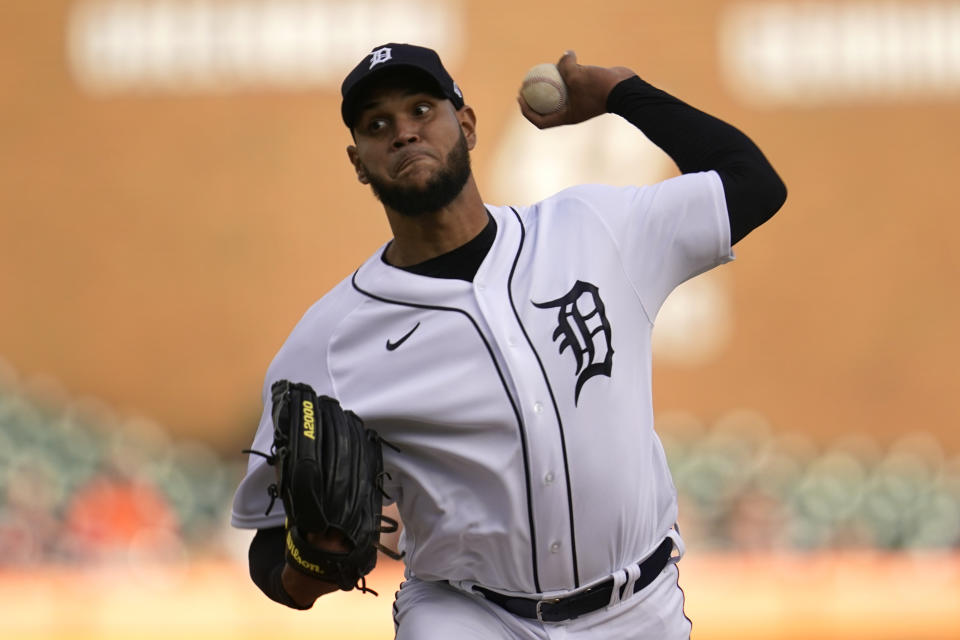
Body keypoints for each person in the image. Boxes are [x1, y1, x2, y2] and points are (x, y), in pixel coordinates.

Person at [231, 43, 786, 639]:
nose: (403, 132)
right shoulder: (330, 341)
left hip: (639, 609)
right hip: (469, 615)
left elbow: (755, 184)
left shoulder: (592, 229)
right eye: (378, 124)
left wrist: (623, 93)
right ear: (359, 161)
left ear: (466, 126)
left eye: (422, 109)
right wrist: (309, 564)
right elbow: (270, 551)